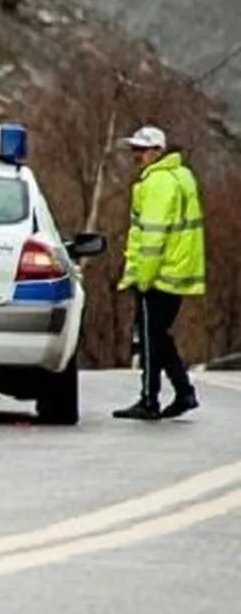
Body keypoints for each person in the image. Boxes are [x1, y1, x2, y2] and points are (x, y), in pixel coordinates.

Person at [113, 125, 206, 421]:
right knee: (158, 335)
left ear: (157, 151)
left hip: (159, 273)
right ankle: (183, 391)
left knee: (150, 338)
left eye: (141, 150)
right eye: (134, 150)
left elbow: (153, 236)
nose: (136, 156)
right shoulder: (182, 176)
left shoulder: (157, 182)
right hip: (178, 269)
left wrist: (142, 277)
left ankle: (149, 399)